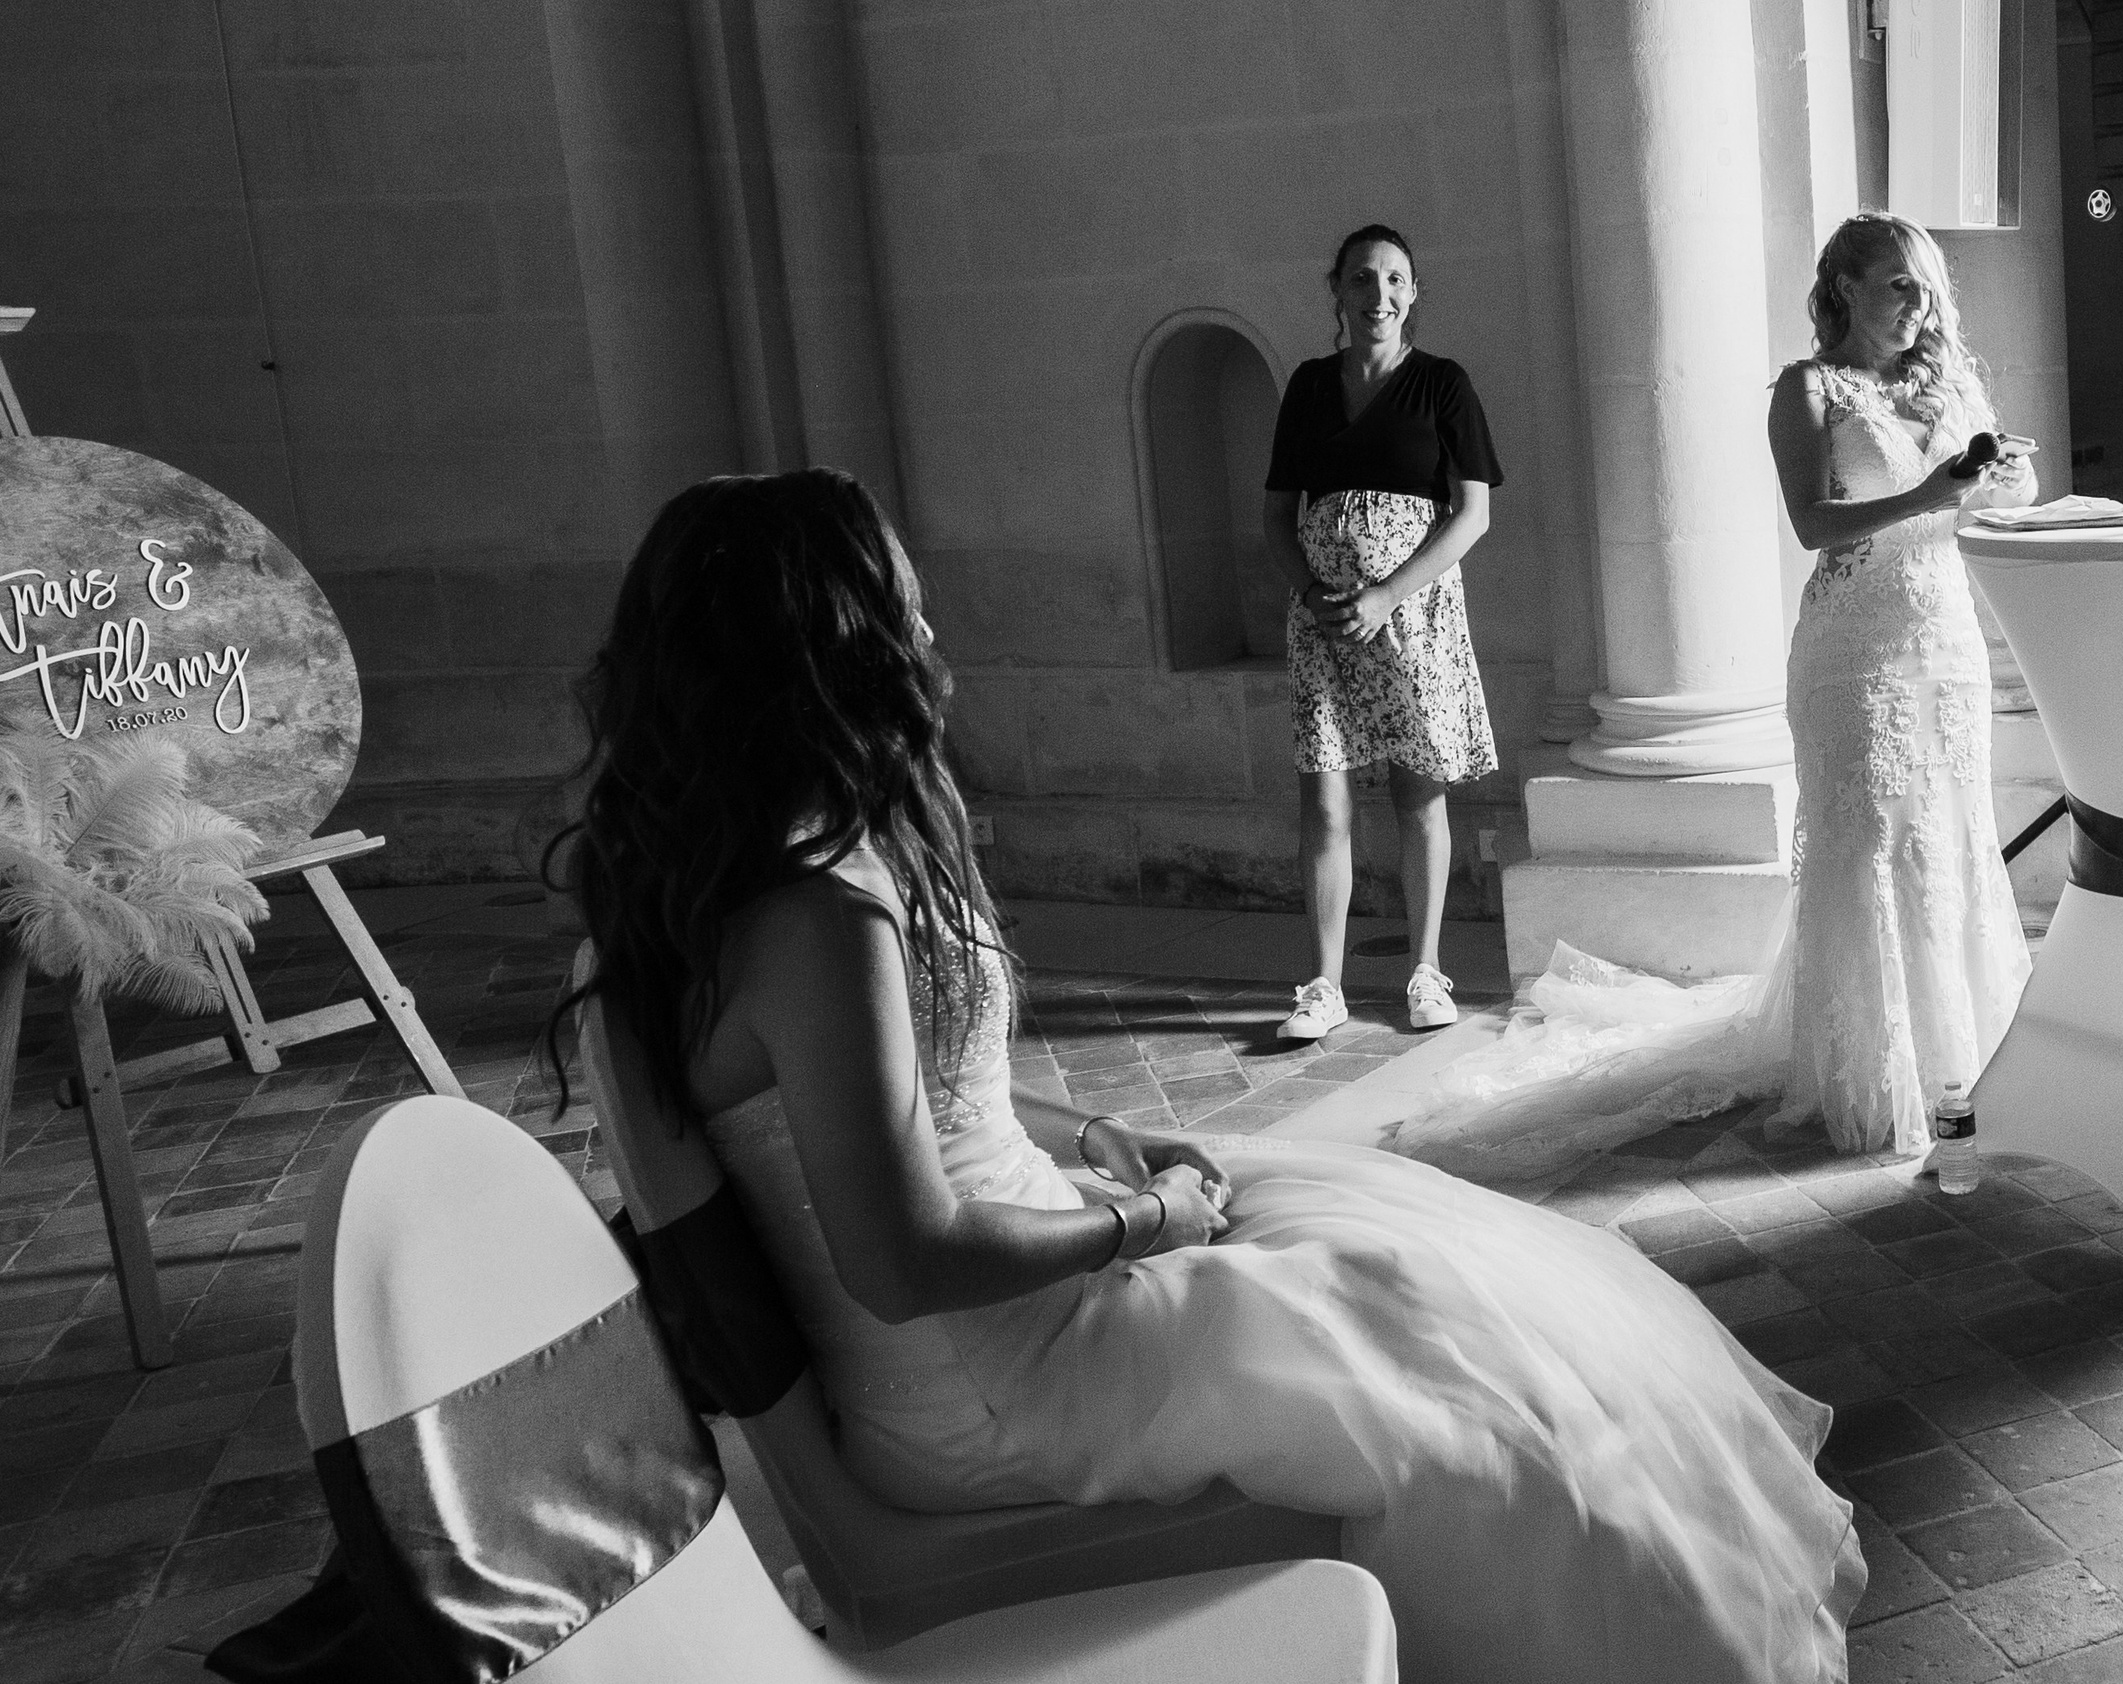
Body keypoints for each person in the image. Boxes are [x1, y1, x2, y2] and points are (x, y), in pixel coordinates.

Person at [552, 469, 1862, 1684]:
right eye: (905, 613)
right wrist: (1139, 1223)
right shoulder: (821, 914)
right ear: (825, 660)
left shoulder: (731, 889)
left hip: (1008, 1307)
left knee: (1444, 1289)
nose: (934, 644)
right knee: (1477, 1412)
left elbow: (922, 1115)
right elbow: (900, 1259)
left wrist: (1106, 1136)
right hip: (999, 1390)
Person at [1391, 212, 2034, 1184]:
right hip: (1852, 652)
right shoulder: (1808, 389)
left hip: (1941, 646)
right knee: (1867, 847)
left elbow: (1987, 507)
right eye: (1899, 283)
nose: (1920, 303)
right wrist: (1932, 490)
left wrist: (2002, 483)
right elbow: (1816, 523)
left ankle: (1972, 1054)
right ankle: (1873, 1067)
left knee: (1947, 839)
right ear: (1845, 288)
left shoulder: (1947, 382)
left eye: (1928, 285)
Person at [1263, 224, 1502, 1040]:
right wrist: (1316, 594)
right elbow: (1275, 519)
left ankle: (1426, 973)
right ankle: (1321, 988)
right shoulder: (1306, 387)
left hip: (1416, 617)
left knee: (1417, 791)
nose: (1380, 295)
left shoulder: (1442, 384)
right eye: (1362, 280)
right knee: (1324, 800)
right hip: (1326, 622)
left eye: (1396, 279)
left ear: (1413, 293)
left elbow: (1472, 515)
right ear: (1337, 291)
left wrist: (1387, 596)